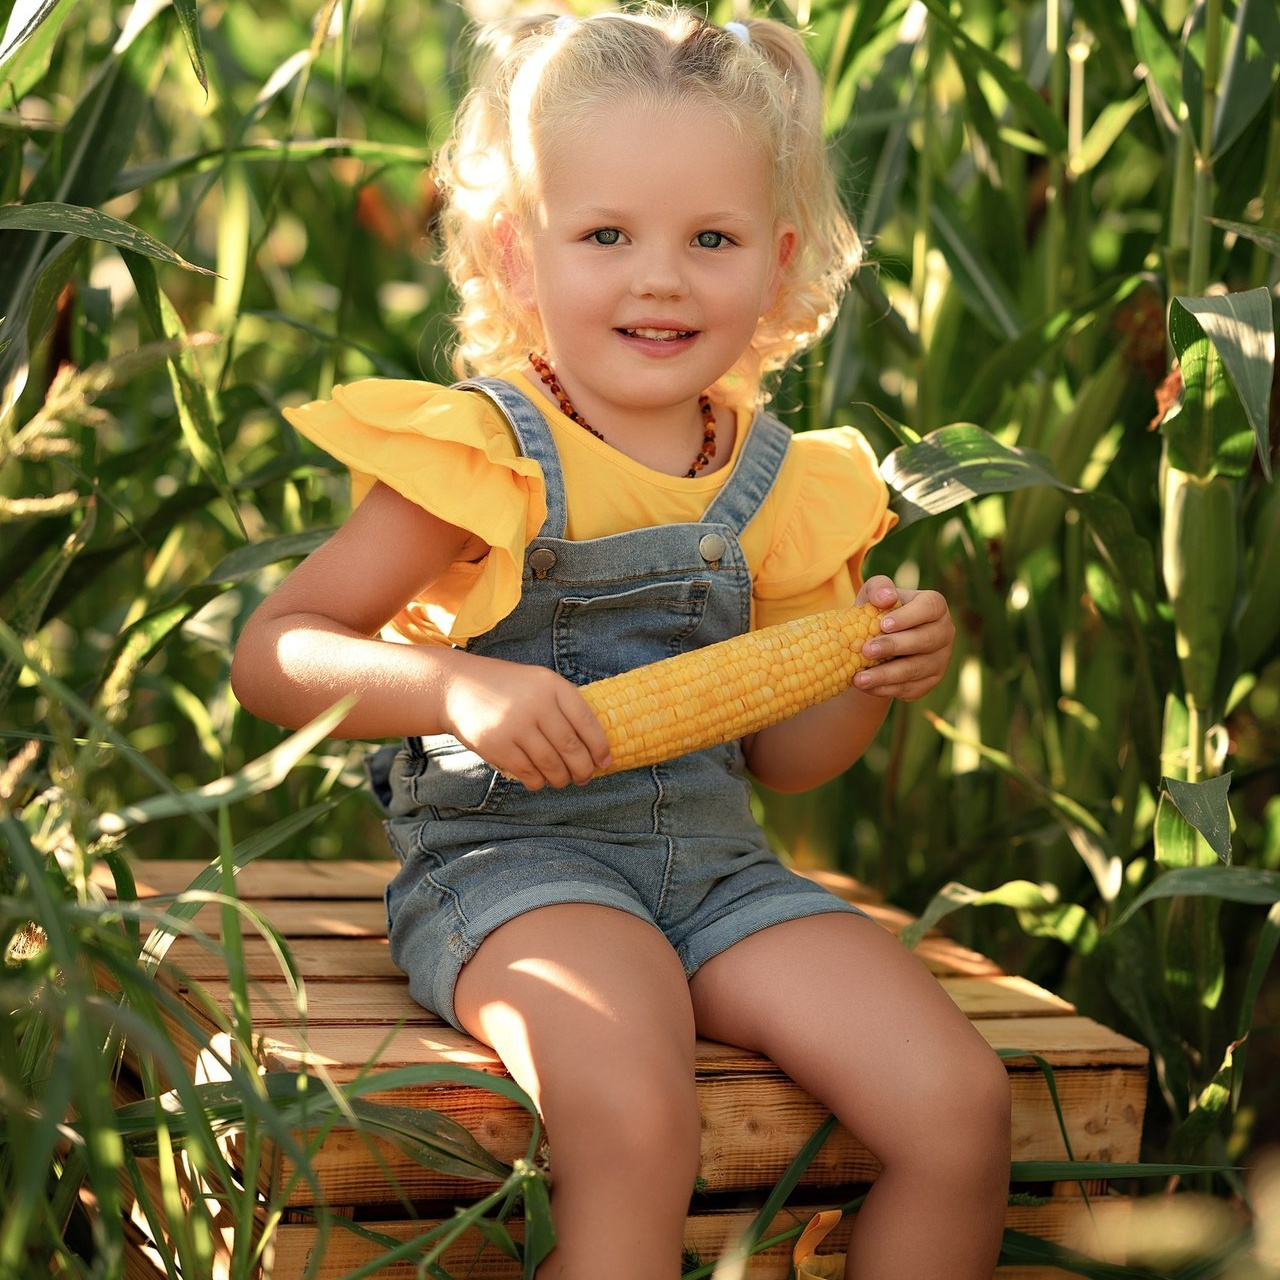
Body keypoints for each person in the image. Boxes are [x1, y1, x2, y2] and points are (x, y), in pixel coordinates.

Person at [231, 7, 1011, 1278]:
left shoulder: (785, 482)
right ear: (517, 257)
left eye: (710, 238)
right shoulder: (482, 455)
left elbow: (791, 760)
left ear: (777, 259)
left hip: (715, 872)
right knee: (637, 1116)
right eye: (605, 236)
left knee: (956, 1104)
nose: (659, 278)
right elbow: (276, 651)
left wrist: (868, 673)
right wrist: (455, 684)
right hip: (515, 866)